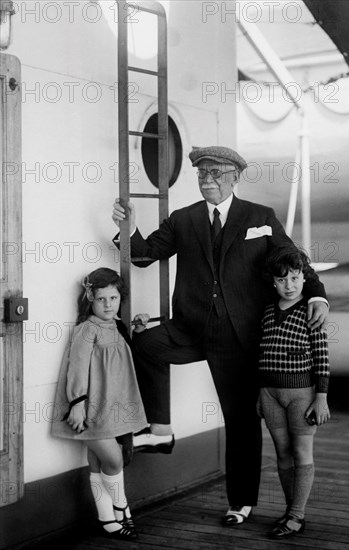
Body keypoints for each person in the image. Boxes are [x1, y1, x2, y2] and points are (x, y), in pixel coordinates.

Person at [112, 145, 329, 525]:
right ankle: (160, 429)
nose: (207, 180)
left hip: (239, 337)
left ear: (235, 177)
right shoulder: (183, 219)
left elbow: (294, 261)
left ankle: (240, 502)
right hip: (193, 327)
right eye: (202, 174)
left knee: (241, 420)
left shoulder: (260, 217)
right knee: (146, 343)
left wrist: (319, 296)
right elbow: (145, 255)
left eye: (215, 174)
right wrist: (128, 228)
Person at [51, 268, 149, 540]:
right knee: (114, 459)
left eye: (114, 298)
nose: (108, 304)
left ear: (120, 299)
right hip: (91, 409)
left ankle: (107, 519)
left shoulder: (116, 325)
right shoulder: (87, 329)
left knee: (97, 463)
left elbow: (122, 361)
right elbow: (77, 369)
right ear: (90, 299)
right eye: (101, 299)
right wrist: (78, 403)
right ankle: (121, 507)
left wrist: (136, 331)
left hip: (112, 407)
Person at [257, 245, 331, 539]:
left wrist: (321, 397)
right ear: (273, 281)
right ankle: (291, 512)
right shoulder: (266, 312)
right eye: (282, 279)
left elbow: (323, 357)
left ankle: (296, 515)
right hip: (269, 393)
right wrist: (259, 393)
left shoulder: (311, 311)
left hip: (301, 394)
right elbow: (261, 353)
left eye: (295, 278)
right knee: (282, 454)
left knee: (301, 453)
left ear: (304, 278)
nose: (289, 285)